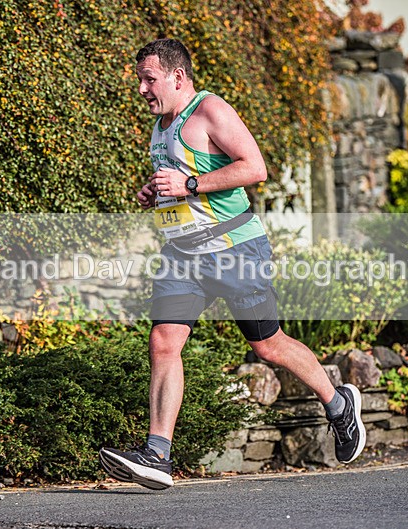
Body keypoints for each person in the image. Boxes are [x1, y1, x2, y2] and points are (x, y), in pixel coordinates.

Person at [99, 38, 365, 490]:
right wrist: (157, 190)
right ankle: (157, 455)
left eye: (150, 80)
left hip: (234, 249)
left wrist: (191, 183)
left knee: (268, 345)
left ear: (177, 77)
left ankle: (338, 403)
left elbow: (254, 167)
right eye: (140, 81)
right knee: (163, 341)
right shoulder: (162, 124)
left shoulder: (210, 110)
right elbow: (182, 179)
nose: (142, 89)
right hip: (183, 254)